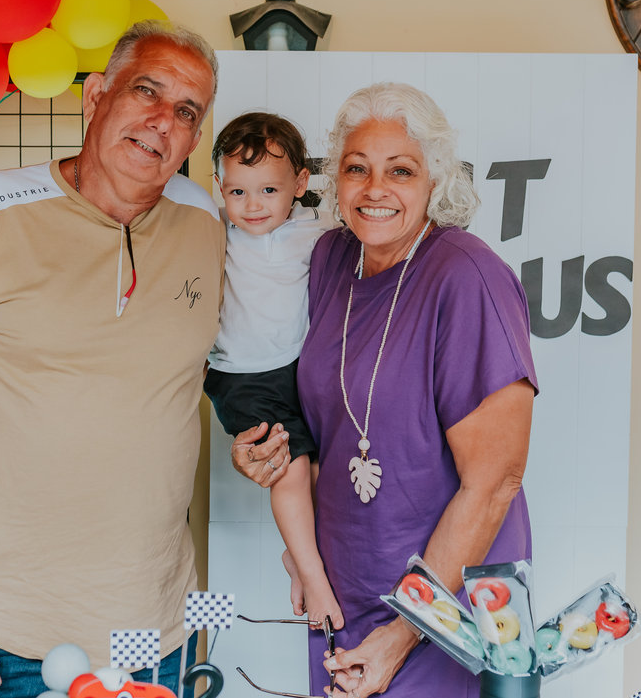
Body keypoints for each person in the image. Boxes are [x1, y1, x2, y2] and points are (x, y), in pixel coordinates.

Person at [0, 21, 223, 698]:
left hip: (160, 631)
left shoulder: (208, 222)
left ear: (193, 141)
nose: (163, 121)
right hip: (7, 638)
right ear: (96, 96)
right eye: (146, 91)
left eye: (187, 112)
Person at [230, 82, 538, 697]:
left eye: (400, 170)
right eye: (356, 168)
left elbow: (494, 482)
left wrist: (404, 632)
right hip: (345, 590)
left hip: (448, 608)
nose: (375, 189)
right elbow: (317, 423)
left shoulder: (467, 275)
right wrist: (264, 454)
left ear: (435, 180)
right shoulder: (329, 260)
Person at [203, 111, 343, 631]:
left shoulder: (317, 233)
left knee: (323, 472)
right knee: (289, 466)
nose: (253, 205)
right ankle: (314, 577)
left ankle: (296, 553)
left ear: (300, 184)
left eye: (268, 190)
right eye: (237, 192)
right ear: (219, 187)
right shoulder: (215, 232)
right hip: (240, 375)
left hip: (297, 369)